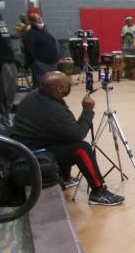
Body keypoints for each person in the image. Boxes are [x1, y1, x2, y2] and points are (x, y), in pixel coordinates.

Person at [10, 71, 125, 206]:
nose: (70, 85)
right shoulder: (52, 109)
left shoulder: (36, 95)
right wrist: (88, 110)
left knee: (64, 138)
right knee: (82, 148)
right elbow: (77, 134)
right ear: (58, 89)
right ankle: (98, 192)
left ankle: (65, 178)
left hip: (26, 147)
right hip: (31, 154)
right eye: (67, 84)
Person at [22, 13, 59, 89]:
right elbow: (28, 49)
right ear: (32, 21)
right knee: (41, 86)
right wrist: (36, 62)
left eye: (40, 18)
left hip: (52, 63)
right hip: (41, 64)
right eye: (37, 18)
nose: (40, 19)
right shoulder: (30, 34)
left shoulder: (45, 31)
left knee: (52, 85)